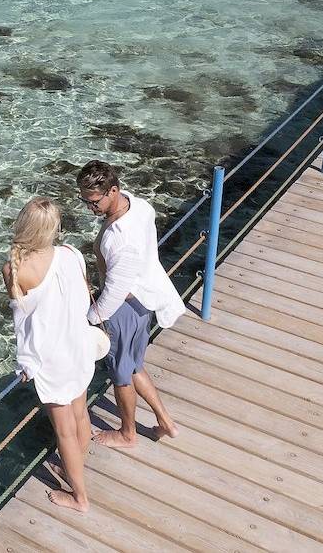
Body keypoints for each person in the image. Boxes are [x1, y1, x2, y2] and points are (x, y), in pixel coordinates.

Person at [76, 159, 182, 447]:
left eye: (94, 202)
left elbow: (115, 292)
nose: (90, 208)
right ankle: (166, 422)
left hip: (123, 311)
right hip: (142, 303)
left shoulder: (120, 240)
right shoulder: (139, 206)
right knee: (134, 365)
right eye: (85, 201)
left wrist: (90, 318)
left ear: (112, 191)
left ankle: (127, 434)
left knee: (121, 375)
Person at [4, 197, 96, 512]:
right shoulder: (71, 253)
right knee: (80, 414)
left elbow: (22, 326)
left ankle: (79, 497)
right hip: (78, 345)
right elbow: (83, 295)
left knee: (64, 431)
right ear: (55, 228)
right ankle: (75, 466)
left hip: (53, 359)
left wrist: (26, 365)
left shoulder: (15, 270)